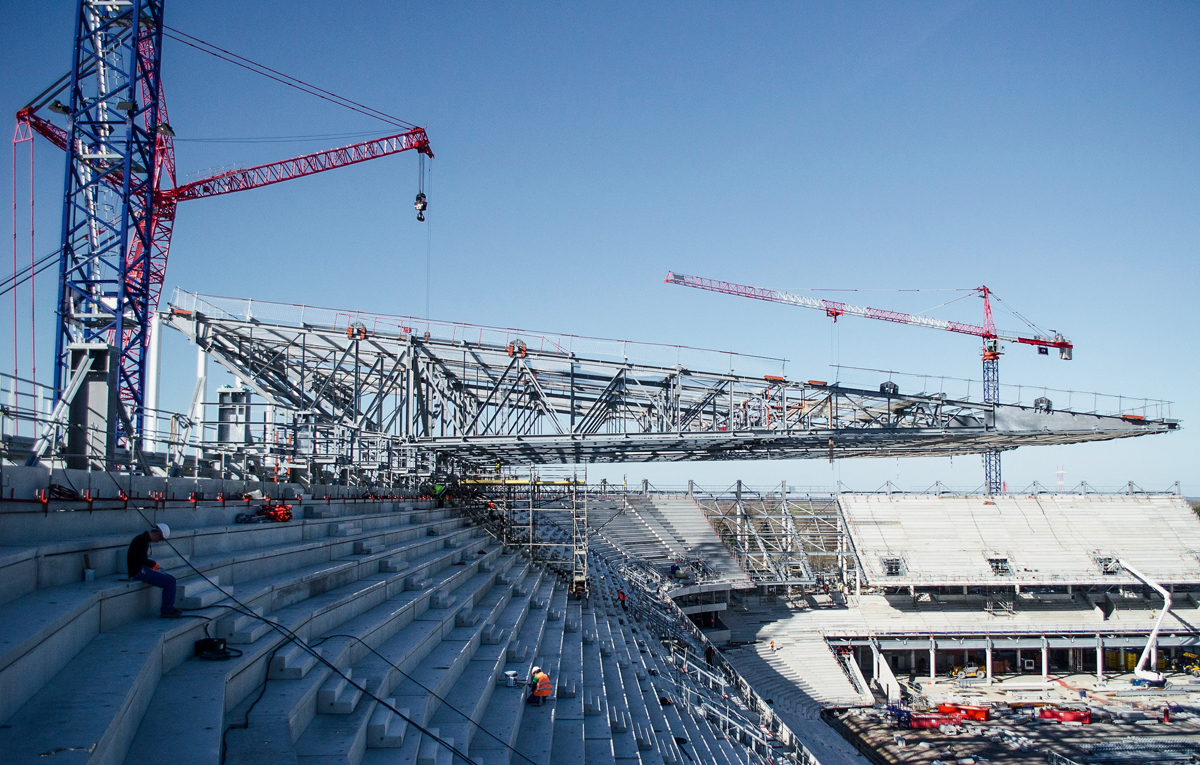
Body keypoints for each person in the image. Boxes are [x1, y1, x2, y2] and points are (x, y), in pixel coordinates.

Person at [128, 523, 181, 618]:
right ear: (157, 534)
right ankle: (166, 610)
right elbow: (142, 559)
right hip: (138, 571)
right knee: (170, 581)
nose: (158, 541)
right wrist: (153, 564)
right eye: (160, 539)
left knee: (171, 579)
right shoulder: (142, 540)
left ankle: (169, 607)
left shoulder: (143, 539)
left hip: (140, 569)